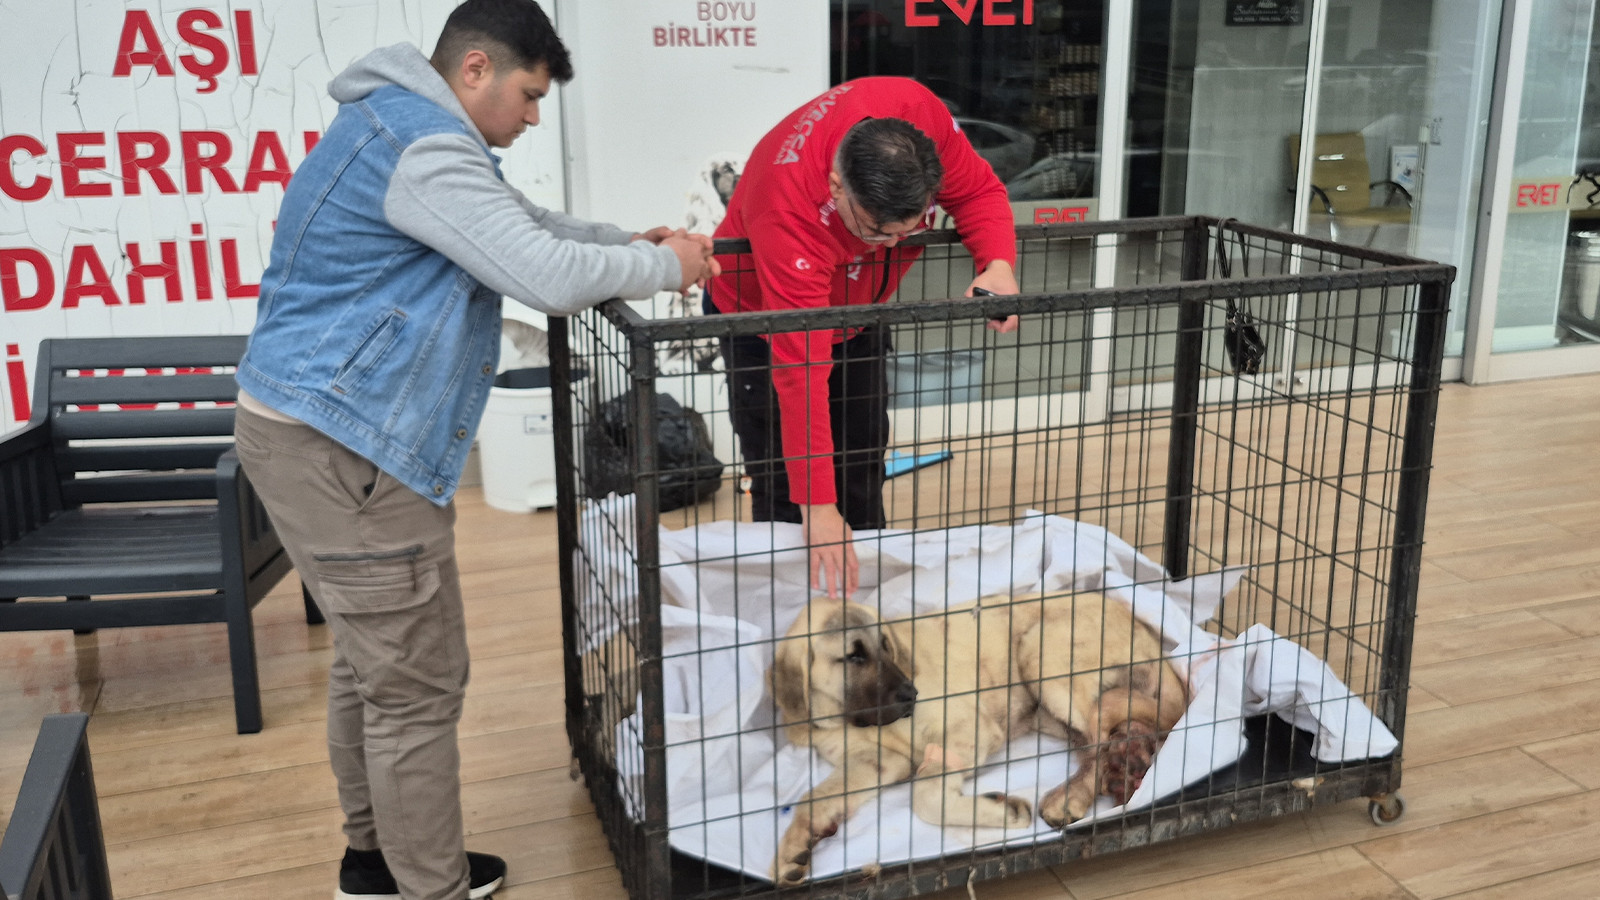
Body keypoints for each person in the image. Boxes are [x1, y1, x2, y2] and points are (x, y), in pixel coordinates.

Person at [230, 2, 716, 899]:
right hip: (343, 448)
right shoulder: (425, 146)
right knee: (416, 684)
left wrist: (629, 242)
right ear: (477, 69)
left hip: (322, 433)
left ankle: (375, 861)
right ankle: (427, 887)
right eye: (530, 96)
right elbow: (543, 274)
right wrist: (667, 269)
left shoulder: (402, 124)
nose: (535, 118)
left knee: (374, 663)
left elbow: (524, 223)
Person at [706, 76, 1019, 599]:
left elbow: (980, 190)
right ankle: (792, 626)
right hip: (760, 320)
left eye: (910, 229)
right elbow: (801, 370)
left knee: (862, 462)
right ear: (836, 186)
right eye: (877, 232)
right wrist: (818, 507)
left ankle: (866, 617)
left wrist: (998, 263)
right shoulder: (789, 211)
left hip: (858, 311)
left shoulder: (918, 117)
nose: (892, 244)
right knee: (787, 492)